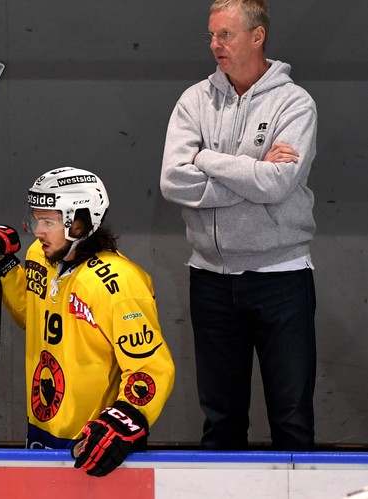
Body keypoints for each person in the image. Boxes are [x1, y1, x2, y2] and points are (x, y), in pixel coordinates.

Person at [160, 0, 317, 451]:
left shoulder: (295, 103)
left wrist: (206, 159)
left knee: (291, 420)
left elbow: (278, 184)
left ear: (257, 36)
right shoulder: (195, 100)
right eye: (211, 35)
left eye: (225, 35)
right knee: (221, 420)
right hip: (209, 279)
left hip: (281, 277)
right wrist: (251, 168)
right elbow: (173, 180)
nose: (215, 45)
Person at [0, 167, 175, 477]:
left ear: (79, 223)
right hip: (42, 427)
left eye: (49, 221)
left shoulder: (119, 284)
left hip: (95, 442)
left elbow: (151, 368)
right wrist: (5, 267)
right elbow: (33, 317)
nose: (38, 231)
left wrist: (124, 419)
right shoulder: (40, 256)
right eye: (37, 219)